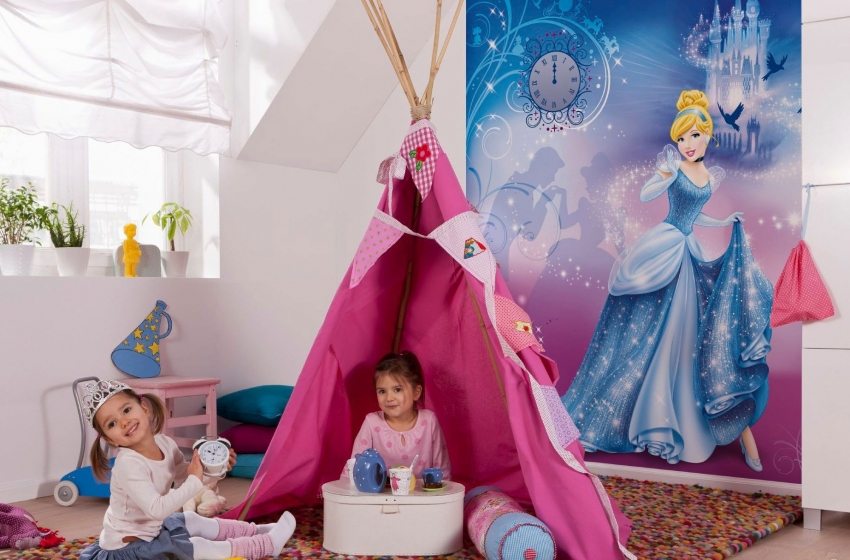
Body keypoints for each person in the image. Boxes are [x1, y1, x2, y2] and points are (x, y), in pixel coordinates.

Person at [562, 90, 773, 471]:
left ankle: (673, 412)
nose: (687, 143)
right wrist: (662, 177)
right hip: (665, 244)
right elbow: (648, 196)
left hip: (687, 248)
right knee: (652, 326)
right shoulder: (674, 168)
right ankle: (637, 413)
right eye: (681, 137)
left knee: (685, 333)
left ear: (707, 136)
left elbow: (696, 215)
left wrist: (724, 221)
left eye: (694, 135)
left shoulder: (708, 176)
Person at [78, 379, 296, 560]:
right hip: (129, 548)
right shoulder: (128, 465)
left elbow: (183, 474)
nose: (124, 422)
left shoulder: (164, 442)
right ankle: (266, 545)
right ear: (110, 439)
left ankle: (257, 530)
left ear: (144, 407)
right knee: (196, 546)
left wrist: (212, 467)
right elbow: (157, 509)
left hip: (151, 528)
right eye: (112, 424)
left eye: (126, 410)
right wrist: (195, 479)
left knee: (192, 520)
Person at [345, 351, 451, 481]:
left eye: (397, 390)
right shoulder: (372, 422)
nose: (389, 398)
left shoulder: (429, 421)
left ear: (416, 392)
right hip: (380, 493)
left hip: (422, 493)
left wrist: (445, 490)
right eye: (382, 391)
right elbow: (354, 468)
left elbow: (442, 470)